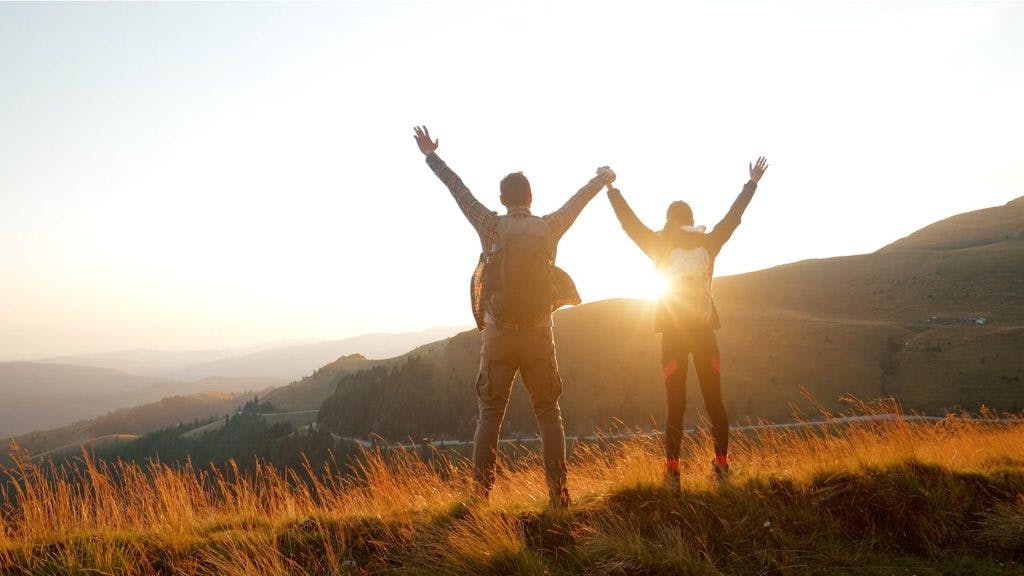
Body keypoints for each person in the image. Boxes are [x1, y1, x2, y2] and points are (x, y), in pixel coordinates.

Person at [412, 125, 615, 509]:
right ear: (531, 197)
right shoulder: (548, 227)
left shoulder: (491, 225)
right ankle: (559, 495)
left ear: (503, 199)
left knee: (490, 413)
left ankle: (480, 496)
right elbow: (578, 201)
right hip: (539, 333)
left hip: (499, 335)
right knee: (548, 412)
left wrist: (431, 155)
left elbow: (458, 190)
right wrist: (602, 178)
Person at [605, 157, 768, 495]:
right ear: (692, 221)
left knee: (675, 406)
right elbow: (732, 219)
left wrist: (612, 190)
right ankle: (721, 466)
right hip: (706, 335)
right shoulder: (708, 244)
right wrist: (751, 183)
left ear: (669, 221)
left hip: (673, 339)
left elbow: (629, 224)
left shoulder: (659, 244)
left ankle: (673, 474)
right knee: (715, 403)